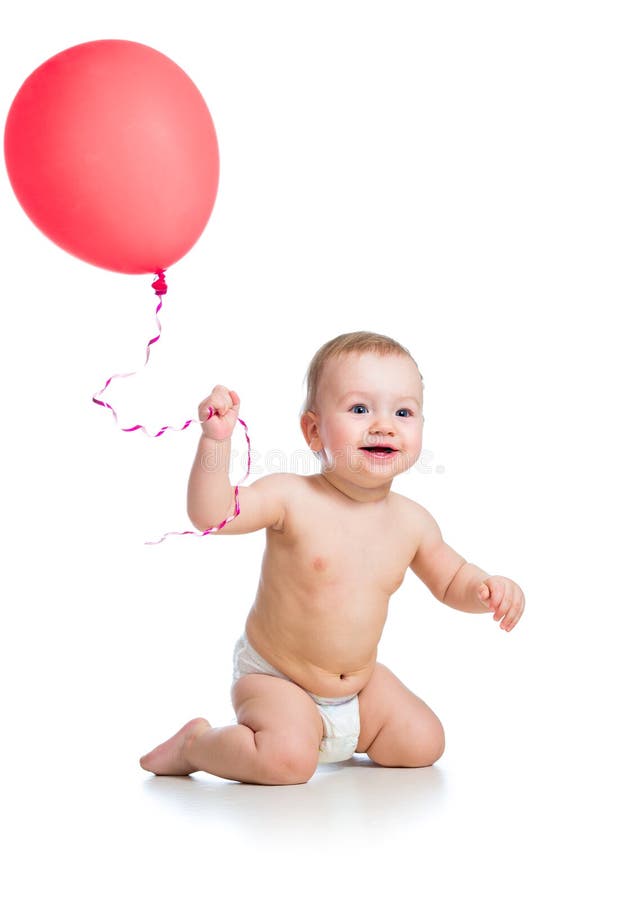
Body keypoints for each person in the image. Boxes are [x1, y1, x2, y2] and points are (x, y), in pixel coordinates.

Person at [140, 331, 525, 784]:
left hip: (359, 686)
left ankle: (330, 736)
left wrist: (485, 589)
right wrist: (216, 442)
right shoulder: (291, 498)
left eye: (403, 412)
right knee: (286, 762)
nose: (384, 425)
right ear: (313, 431)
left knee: (424, 742)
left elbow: (452, 579)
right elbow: (213, 514)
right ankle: (196, 744)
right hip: (278, 678)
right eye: (360, 409)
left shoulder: (412, 522)